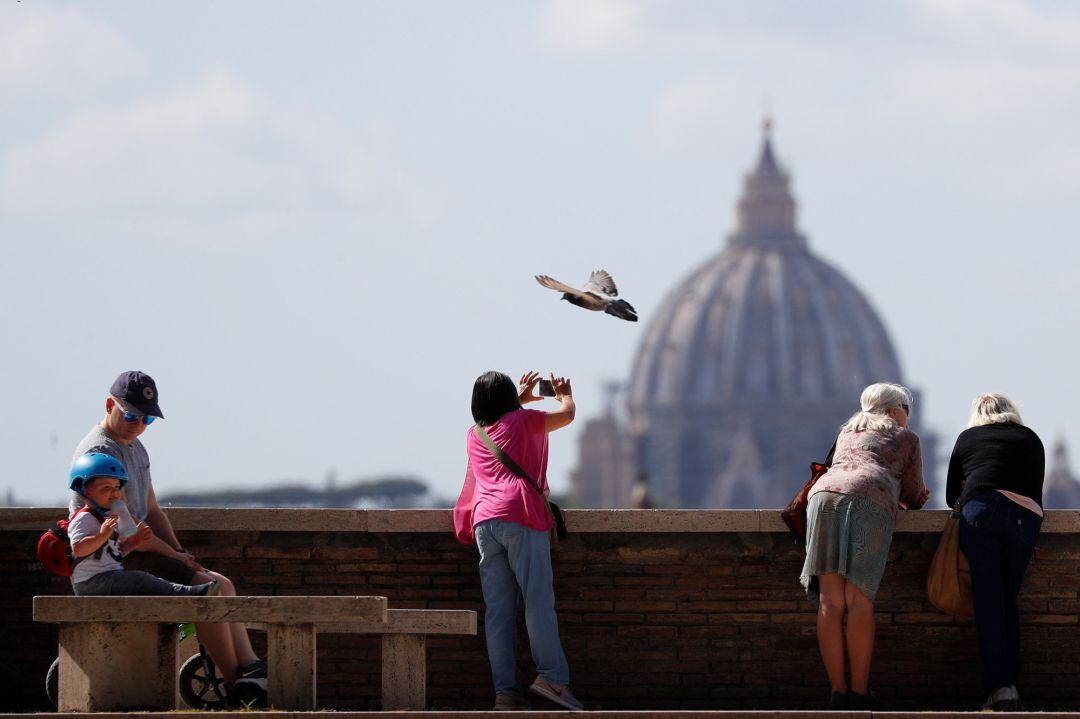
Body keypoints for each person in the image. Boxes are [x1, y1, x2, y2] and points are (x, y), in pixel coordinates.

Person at [70, 371, 266, 698]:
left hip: (140, 553)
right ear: (109, 405)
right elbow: (133, 531)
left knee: (221, 584)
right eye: (131, 415)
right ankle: (237, 685)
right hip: (116, 563)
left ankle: (250, 668)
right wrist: (174, 557)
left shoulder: (135, 447)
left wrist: (180, 551)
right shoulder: (100, 453)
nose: (138, 424)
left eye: (147, 418)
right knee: (207, 589)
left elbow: (152, 509)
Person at [456, 370, 582, 711]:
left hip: (485, 522)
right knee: (538, 601)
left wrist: (519, 401)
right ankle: (553, 680)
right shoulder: (526, 422)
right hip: (520, 516)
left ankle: (505, 695)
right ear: (510, 397)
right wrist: (564, 394)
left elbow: (504, 424)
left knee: (498, 613)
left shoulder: (474, 434)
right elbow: (567, 416)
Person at [799, 382, 929, 710]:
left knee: (830, 602)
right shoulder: (906, 437)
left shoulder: (847, 431)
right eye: (907, 411)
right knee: (858, 601)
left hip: (824, 499)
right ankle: (858, 692)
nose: (908, 418)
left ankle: (837, 691)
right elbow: (914, 493)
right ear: (896, 410)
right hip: (868, 502)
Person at [946, 393, 1044, 712]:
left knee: (988, 602)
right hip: (1023, 517)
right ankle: (1011, 686)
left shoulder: (968, 438)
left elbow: (951, 496)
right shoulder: (1030, 438)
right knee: (1008, 601)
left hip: (981, 513)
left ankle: (1000, 688)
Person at [68, 452, 221, 597]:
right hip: (91, 583)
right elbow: (79, 549)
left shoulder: (106, 518)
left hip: (107, 578)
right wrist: (102, 535)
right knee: (141, 579)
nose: (115, 493)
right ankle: (188, 594)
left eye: (117, 487)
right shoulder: (84, 518)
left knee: (144, 579)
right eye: (106, 487)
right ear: (86, 491)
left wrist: (131, 545)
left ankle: (187, 594)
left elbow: (110, 557)